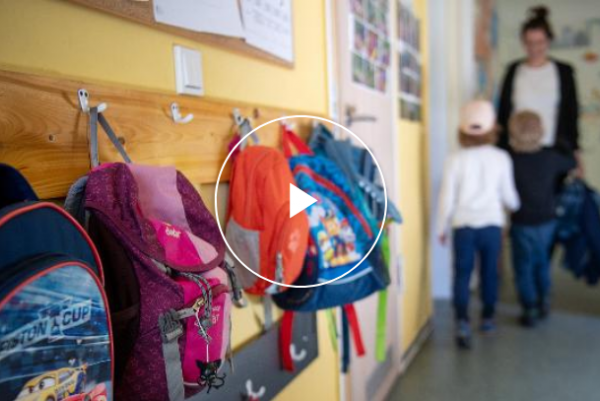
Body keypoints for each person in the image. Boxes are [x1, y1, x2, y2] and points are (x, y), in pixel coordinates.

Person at [438, 100, 520, 349]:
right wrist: (515, 207)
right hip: (492, 226)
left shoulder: (454, 159)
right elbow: (510, 196)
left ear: (462, 130)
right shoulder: (501, 158)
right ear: (493, 128)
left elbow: (446, 197)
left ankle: (462, 321)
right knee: (489, 274)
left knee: (462, 274)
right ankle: (487, 319)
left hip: (463, 226)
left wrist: (441, 227)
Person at [508, 111, 576, 327]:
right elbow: (570, 162)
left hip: (521, 221)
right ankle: (544, 300)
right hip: (547, 220)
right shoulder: (550, 157)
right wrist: (563, 145)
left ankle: (529, 308)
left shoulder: (510, 159)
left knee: (523, 265)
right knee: (542, 263)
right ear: (541, 130)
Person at [497, 6, 582, 172]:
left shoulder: (564, 72)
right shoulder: (513, 71)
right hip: (517, 153)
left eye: (539, 42)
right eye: (529, 43)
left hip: (554, 151)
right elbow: (503, 113)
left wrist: (577, 155)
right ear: (523, 42)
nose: (534, 48)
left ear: (549, 41)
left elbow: (571, 114)